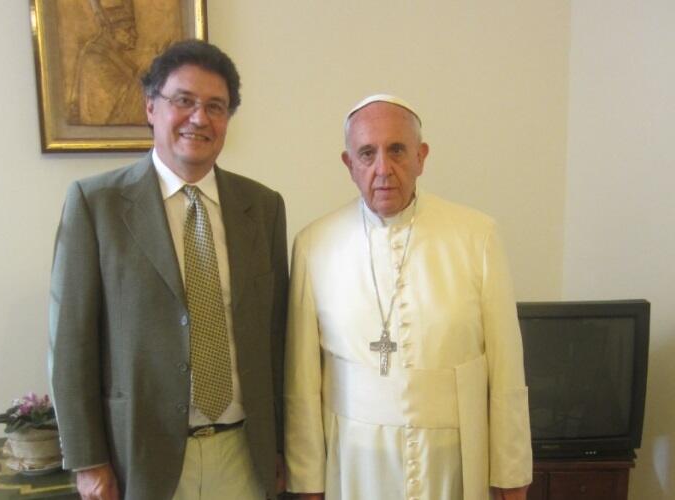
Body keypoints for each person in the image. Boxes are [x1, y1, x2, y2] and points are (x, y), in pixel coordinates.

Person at [49, 39, 288, 500]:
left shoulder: (263, 207)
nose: (199, 118)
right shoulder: (96, 205)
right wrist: (88, 461)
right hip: (140, 457)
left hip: (243, 454)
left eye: (215, 107)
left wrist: (280, 446)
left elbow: (276, 338)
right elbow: (71, 345)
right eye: (183, 101)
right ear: (150, 107)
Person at [284, 94, 532, 500]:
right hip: (354, 465)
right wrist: (306, 481)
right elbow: (302, 383)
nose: (383, 169)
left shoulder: (478, 236)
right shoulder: (314, 244)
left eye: (397, 150)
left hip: (453, 460)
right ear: (349, 164)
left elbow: (507, 370)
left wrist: (511, 471)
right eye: (367, 153)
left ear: (421, 157)